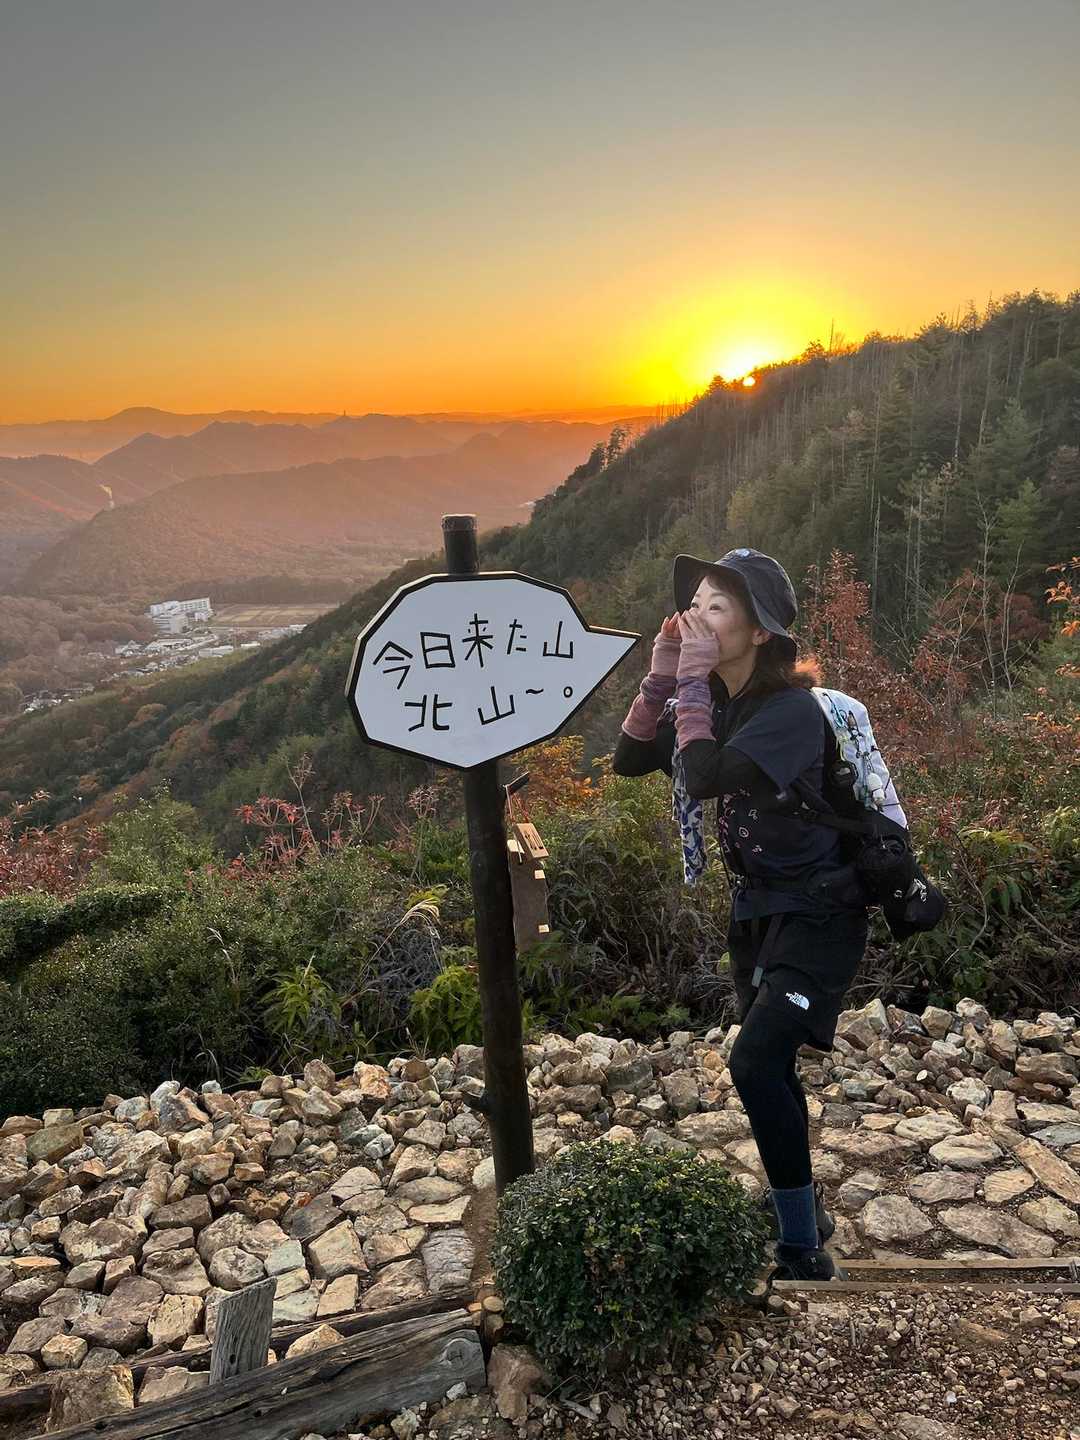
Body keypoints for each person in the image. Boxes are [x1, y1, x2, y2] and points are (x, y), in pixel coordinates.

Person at [611, 546, 870, 1283]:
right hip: (757, 912)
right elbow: (631, 759)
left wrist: (690, 683)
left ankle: (801, 1251)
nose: (696, 615)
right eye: (693, 603)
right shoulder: (717, 706)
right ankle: (803, 1210)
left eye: (716, 606)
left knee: (754, 1061)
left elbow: (701, 777)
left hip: (821, 912)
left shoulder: (788, 713)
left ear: (760, 632)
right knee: (772, 1065)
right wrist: (664, 675)